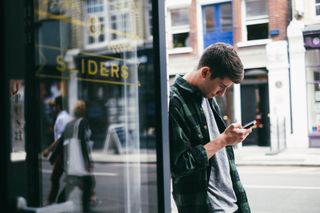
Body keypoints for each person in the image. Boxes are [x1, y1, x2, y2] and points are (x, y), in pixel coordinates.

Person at [169, 42, 252, 213]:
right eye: (222, 86)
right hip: (206, 207)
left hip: (233, 203)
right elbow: (179, 165)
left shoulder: (208, 97)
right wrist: (222, 140)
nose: (222, 93)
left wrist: (230, 137)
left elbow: (220, 158)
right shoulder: (174, 103)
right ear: (205, 72)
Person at [56, 100, 95, 212]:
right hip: (81, 161)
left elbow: (61, 141)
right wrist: (87, 161)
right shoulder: (82, 122)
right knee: (87, 184)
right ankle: (85, 208)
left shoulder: (69, 124)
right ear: (83, 111)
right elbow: (82, 142)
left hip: (72, 160)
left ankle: (60, 202)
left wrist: (53, 157)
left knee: (75, 183)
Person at [42, 95, 72, 204]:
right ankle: (52, 200)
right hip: (66, 150)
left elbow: (61, 138)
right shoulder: (67, 116)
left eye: (54, 106)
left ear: (58, 106)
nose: (53, 108)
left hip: (63, 151)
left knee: (56, 178)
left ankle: (55, 200)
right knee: (56, 177)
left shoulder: (61, 118)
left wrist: (48, 150)